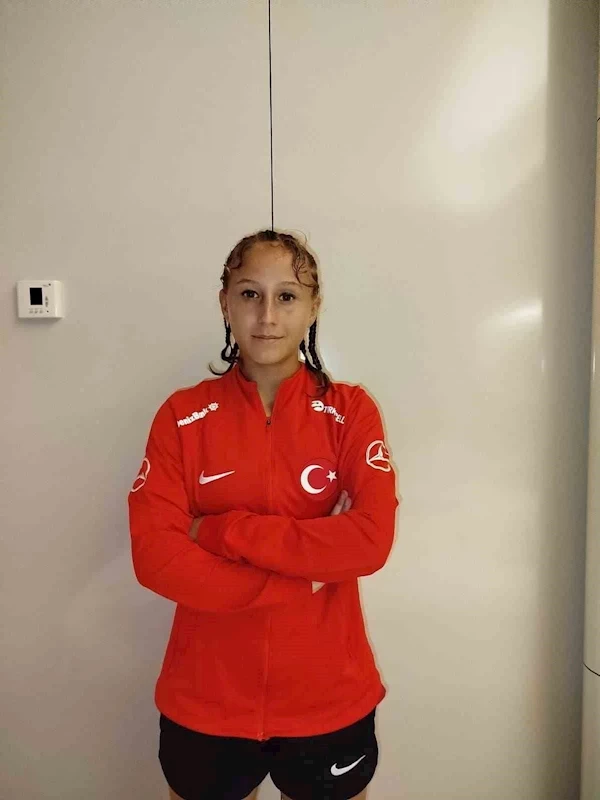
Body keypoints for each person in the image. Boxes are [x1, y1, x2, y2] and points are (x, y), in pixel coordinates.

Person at [128, 229, 400, 800]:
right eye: (250, 294)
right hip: (206, 700)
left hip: (329, 696)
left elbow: (370, 540)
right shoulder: (181, 416)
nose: (268, 316)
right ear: (225, 303)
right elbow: (157, 558)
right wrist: (308, 569)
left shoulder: (351, 412)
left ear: (313, 307)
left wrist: (218, 530)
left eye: (287, 296)